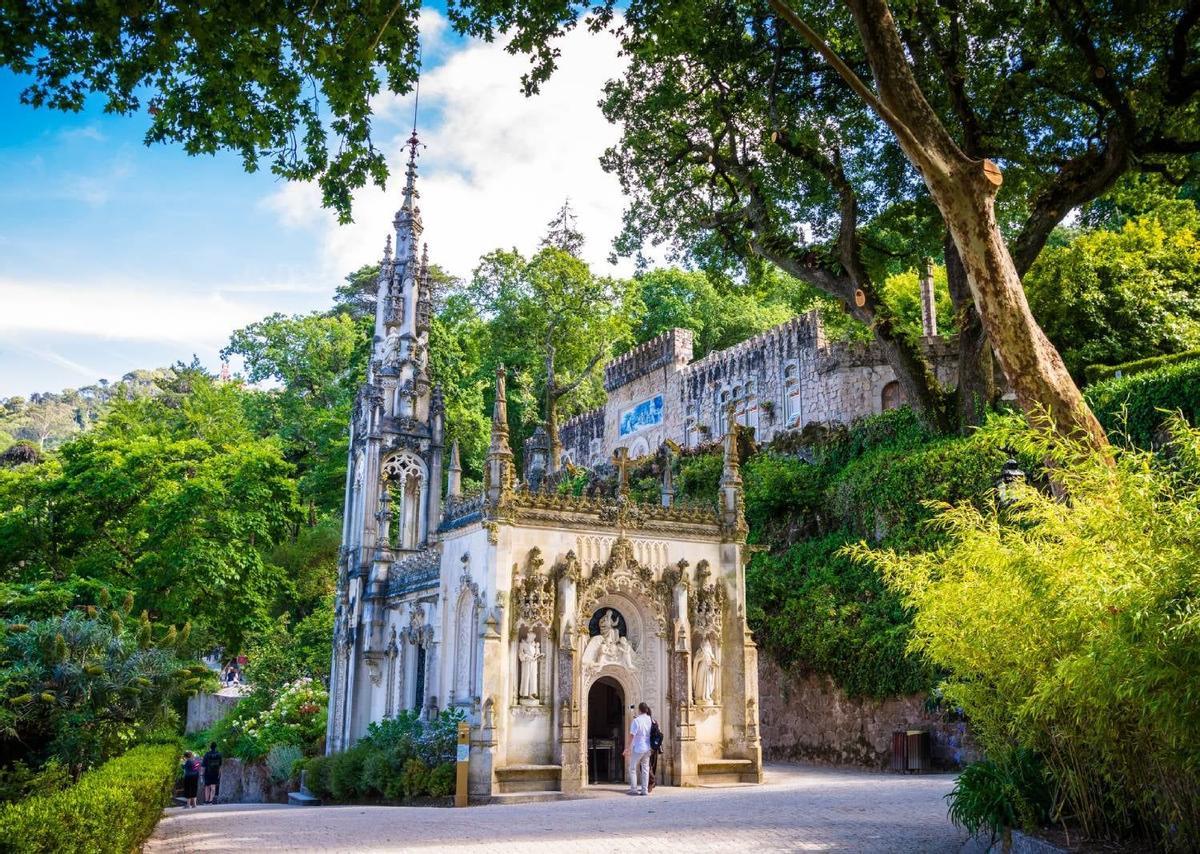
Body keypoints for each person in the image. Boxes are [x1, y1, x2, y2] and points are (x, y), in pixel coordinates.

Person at [627, 702, 653, 796]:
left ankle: (634, 789)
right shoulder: (650, 719)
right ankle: (644, 790)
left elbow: (632, 735)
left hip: (638, 747)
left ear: (639, 710)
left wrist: (627, 747)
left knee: (632, 768)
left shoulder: (637, 720)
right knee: (645, 768)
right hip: (648, 747)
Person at [648, 714, 664, 792]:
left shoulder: (646, 722)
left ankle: (652, 781)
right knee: (652, 765)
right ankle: (651, 783)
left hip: (649, 747)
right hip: (655, 747)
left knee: (645, 766)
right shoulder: (655, 722)